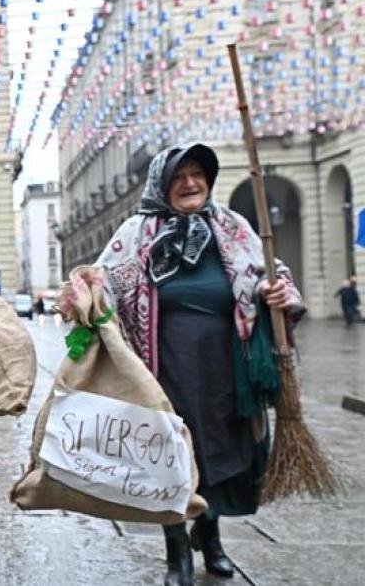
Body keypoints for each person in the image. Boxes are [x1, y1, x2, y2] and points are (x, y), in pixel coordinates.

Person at [95, 143, 304, 586]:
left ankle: (209, 537)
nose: (190, 184)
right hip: (164, 365)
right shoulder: (139, 232)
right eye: (179, 176)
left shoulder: (231, 225)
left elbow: (271, 272)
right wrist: (81, 295)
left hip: (229, 363)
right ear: (162, 185)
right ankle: (177, 554)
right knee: (172, 454)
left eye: (197, 175)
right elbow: (104, 281)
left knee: (222, 453)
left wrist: (280, 292)